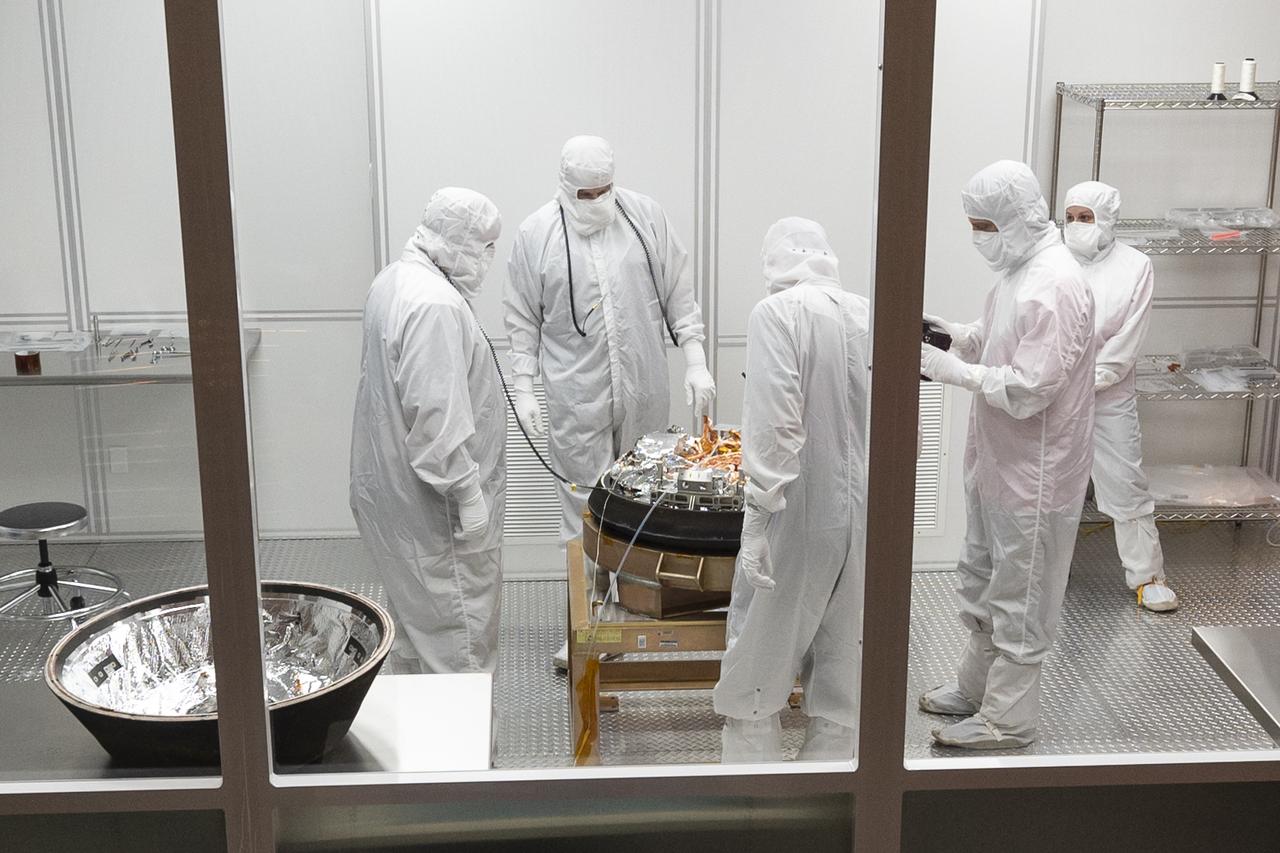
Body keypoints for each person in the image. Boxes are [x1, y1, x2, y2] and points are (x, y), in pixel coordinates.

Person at [505, 135, 715, 669]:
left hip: (644, 385)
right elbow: (522, 318)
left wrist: (695, 359)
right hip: (576, 394)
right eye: (585, 193)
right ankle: (585, 621)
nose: (595, 200)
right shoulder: (537, 235)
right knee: (583, 509)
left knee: (644, 502)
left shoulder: (644, 219)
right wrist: (524, 388)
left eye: (604, 190)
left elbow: (678, 294)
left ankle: (636, 616)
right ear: (564, 187)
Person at [919, 160, 1095, 749]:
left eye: (982, 225)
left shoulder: (1056, 282)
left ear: (1014, 219)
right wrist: (957, 336)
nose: (977, 237)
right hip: (999, 463)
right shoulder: (1021, 271)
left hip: (1035, 472)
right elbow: (999, 334)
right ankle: (976, 690)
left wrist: (956, 373)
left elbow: (1029, 388)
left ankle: (1008, 720)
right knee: (983, 576)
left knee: (1021, 595)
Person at [713, 217, 869, 762]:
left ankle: (755, 800)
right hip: (863, 514)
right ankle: (834, 796)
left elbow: (776, 425)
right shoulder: (865, 313)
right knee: (843, 659)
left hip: (796, 510)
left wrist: (756, 518)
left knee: (760, 653)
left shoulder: (775, 313)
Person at [350, 188, 506, 674]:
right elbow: (436, 414)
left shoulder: (395, 281)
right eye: (483, 246)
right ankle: (462, 752)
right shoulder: (435, 305)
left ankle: (421, 749)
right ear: (457, 241)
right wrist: (467, 492)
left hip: (400, 503)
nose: (488, 259)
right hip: (439, 517)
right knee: (457, 647)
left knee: (416, 639)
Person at [1064, 181, 1177, 613]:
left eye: (1086, 218)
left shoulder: (1135, 265)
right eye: (1070, 217)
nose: (1075, 226)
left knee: (1125, 484)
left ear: (1107, 219)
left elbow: (1126, 341)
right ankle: (1044, 573)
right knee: (1050, 485)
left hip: (1108, 396)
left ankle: (1148, 577)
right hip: (1053, 394)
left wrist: (1091, 379)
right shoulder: (1051, 262)